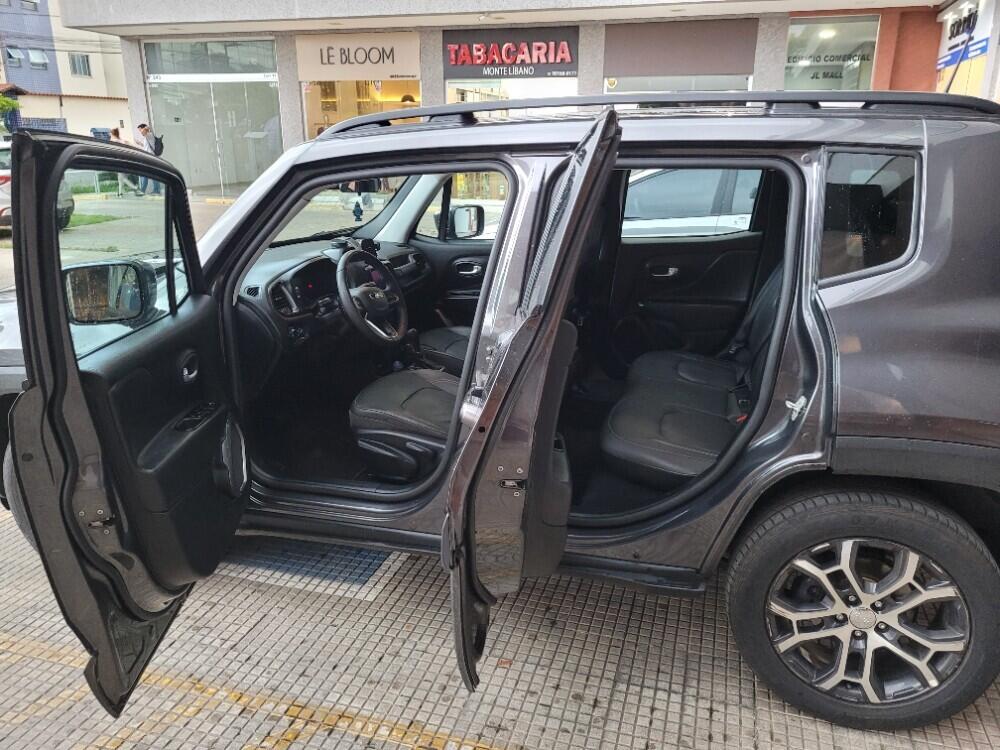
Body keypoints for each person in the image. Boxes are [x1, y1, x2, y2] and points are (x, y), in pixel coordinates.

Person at [136, 123, 162, 196]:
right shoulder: (146, 137)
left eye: (140, 130)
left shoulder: (149, 135)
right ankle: (152, 190)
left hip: (151, 158)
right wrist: (140, 143)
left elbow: (145, 130)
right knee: (148, 174)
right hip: (148, 158)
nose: (140, 132)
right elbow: (146, 147)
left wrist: (145, 128)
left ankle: (154, 190)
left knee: (149, 174)